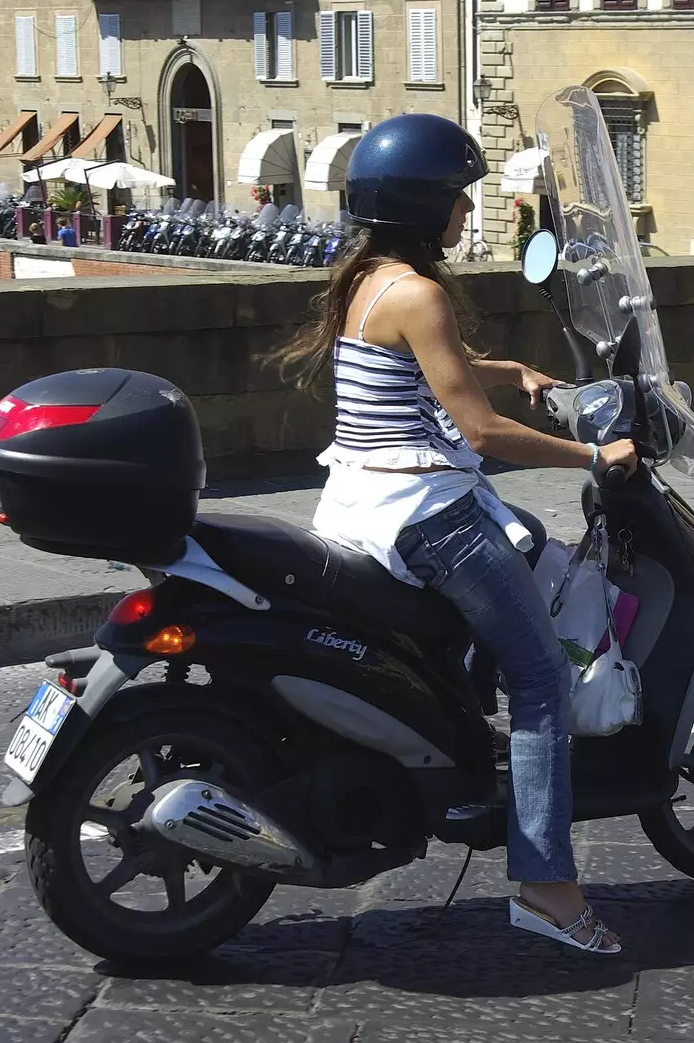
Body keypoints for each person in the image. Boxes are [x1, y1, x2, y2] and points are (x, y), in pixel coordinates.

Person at [264, 114, 637, 955]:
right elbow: (481, 434)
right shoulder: (420, 292)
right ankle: (545, 886)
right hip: (428, 515)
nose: (468, 212)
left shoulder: (368, 278)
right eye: (458, 198)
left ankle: (472, 741)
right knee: (542, 679)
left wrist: (517, 371)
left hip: (363, 501)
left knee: (529, 539)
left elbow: (430, 371)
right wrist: (595, 452)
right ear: (424, 205)